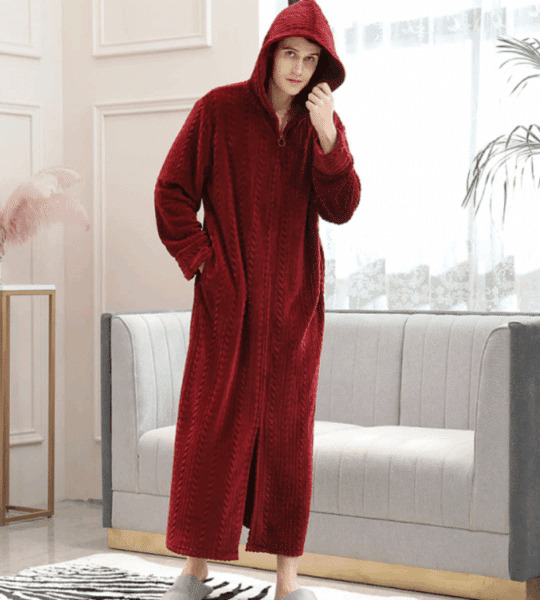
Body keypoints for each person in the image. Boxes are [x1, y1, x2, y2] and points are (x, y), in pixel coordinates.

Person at [154, 1, 361, 599]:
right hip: (227, 306)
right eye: (289, 54)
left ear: (322, 67)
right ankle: (194, 569)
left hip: (294, 310)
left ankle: (288, 582)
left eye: (311, 59)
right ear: (269, 53)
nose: (298, 68)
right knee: (212, 435)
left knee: (288, 443)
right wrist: (205, 263)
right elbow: (171, 192)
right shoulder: (218, 111)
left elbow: (342, 207)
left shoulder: (321, 127)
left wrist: (328, 136)